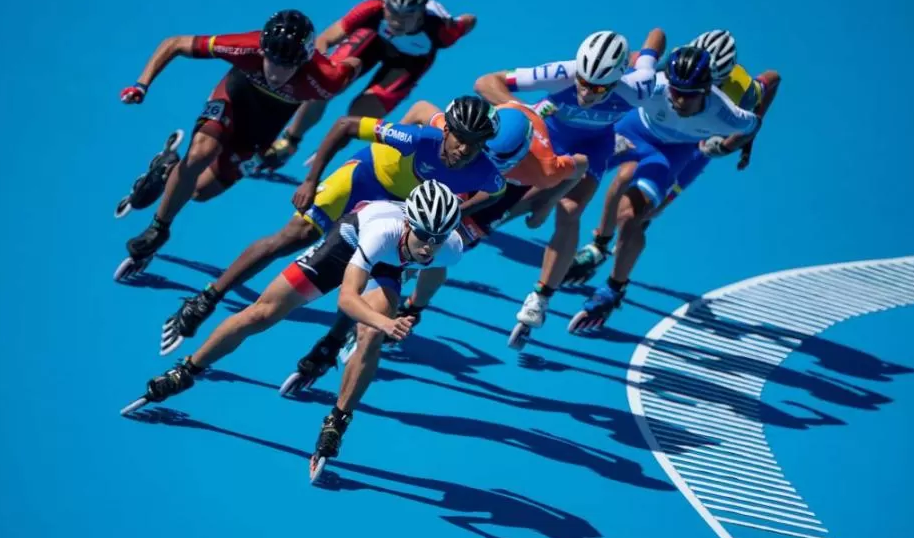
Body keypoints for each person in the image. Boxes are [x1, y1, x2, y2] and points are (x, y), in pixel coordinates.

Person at [122, 181, 465, 478]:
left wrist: (415, 308)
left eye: (437, 238)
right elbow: (347, 298)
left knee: (371, 335)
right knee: (263, 314)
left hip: (390, 266)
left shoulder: (447, 248)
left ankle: (338, 421)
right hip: (349, 242)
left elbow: (434, 272)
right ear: (408, 223)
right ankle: (187, 369)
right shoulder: (383, 232)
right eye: (422, 234)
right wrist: (388, 320)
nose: (428, 245)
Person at [158, 95, 505, 355]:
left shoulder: (485, 171)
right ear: (446, 129)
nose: (463, 148)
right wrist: (311, 180)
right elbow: (345, 126)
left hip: (393, 206)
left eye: (473, 144)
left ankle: (331, 344)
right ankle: (207, 298)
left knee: (376, 267)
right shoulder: (417, 139)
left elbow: (497, 190)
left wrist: (459, 209)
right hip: (362, 179)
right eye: (458, 137)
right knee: (293, 237)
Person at [305, 97, 592, 364]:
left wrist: (546, 203)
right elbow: (419, 108)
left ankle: (414, 308)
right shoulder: (460, 140)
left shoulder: (544, 169)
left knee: (437, 252)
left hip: (491, 194)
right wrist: (392, 153)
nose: (485, 159)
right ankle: (341, 331)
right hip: (454, 175)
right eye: (483, 150)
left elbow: (581, 166)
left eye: (498, 160)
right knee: (409, 243)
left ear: (517, 159)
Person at [113, 9, 361, 281]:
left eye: (287, 65)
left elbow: (354, 62)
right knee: (201, 153)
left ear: (303, 61)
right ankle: (158, 229)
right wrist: (142, 84)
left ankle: (166, 170)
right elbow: (174, 43)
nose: (277, 72)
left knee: (199, 192)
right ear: (263, 49)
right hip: (231, 100)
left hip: (259, 132)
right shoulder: (246, 46)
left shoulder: (327, 78)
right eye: (272, 60)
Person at [473, 28, 664, 346]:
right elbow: (484, 82)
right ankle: (512, 210)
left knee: (570, 210)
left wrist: (648, 55)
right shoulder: (560, 72)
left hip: (592, 147)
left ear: (617, 80)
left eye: (598, 87)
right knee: (512, 204)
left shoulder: (638, 87)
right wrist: (523, 110)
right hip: (547, 135)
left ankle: (540, 299)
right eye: (584, 82)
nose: (587, 92)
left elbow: (656, 36)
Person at [566, 45, 763, 333]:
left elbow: (760, 108)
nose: (680, 100)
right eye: (676, 91)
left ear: (708, 87)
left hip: (680, 151)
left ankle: (613, 290)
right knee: (602, 175)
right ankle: (598, 247)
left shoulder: (731, 111)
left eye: (689, 94)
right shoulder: (659, 83)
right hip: (639, 130)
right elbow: (641, 54)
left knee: (635, 217)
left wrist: (729, 146)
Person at [261, 0, 478, 170]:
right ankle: (289, 142)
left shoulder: (442, 29)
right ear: (384, 3)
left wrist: (453, 19)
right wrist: (316, 76)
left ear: (421, 11)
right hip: (374, 45)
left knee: (359, 114)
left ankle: (326, 153)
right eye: (392, 11)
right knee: (326, 83)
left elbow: (471, 20)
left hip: (408, 64)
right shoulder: (372, 8)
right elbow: (326, 39)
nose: (396, 20)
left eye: (406, 15)